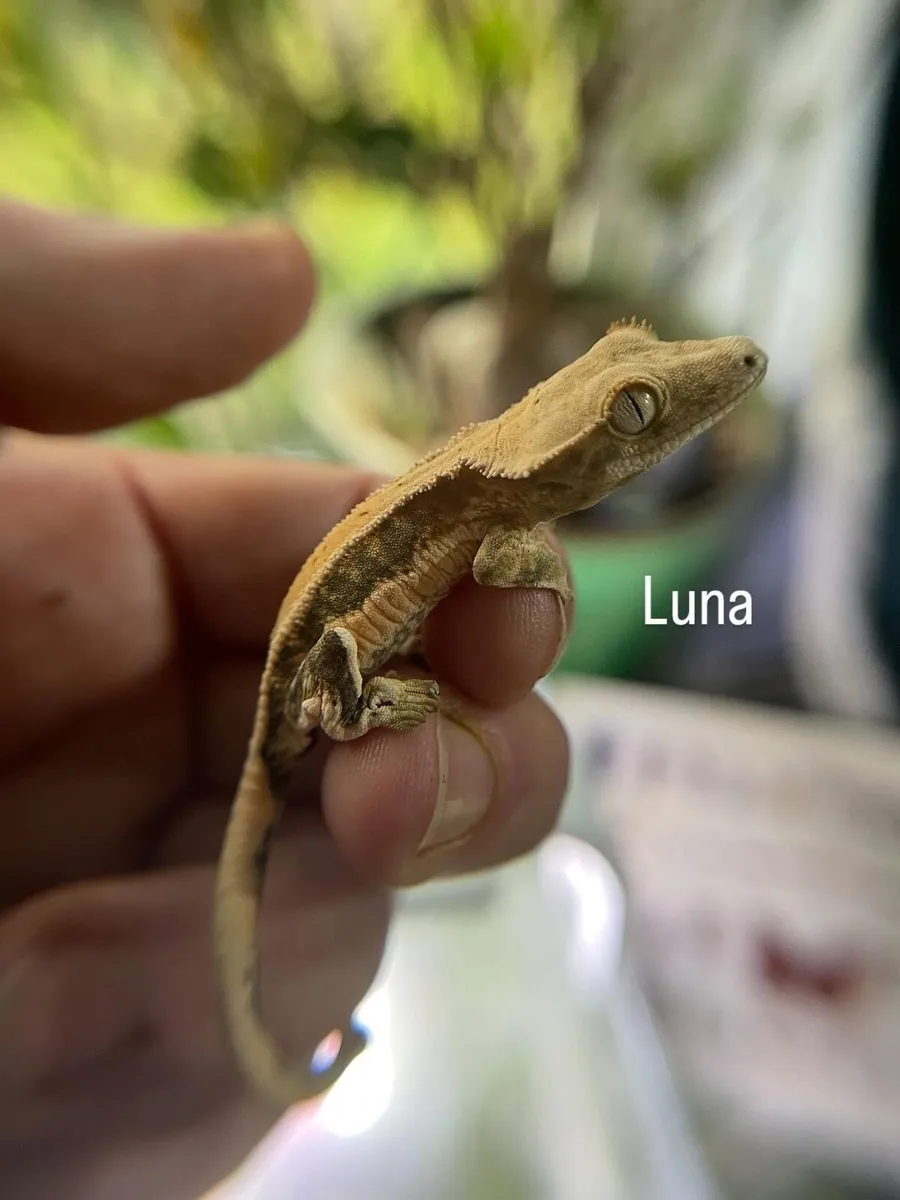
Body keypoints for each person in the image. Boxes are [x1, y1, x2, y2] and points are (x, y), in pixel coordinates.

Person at [0, 200, 570, 1200]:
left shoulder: (490, 494)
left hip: (295, 673)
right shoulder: (488, 500)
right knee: (334, 829)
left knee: (325, 863)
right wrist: (366, 710)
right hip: (315, 682)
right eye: (634, 410)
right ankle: (282, 1052)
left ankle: (281, 1058)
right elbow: (486, 570)